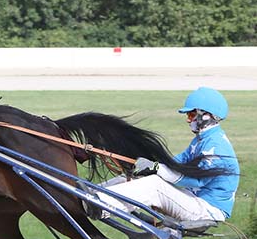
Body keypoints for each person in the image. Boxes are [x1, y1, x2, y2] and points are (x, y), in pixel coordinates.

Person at [88, 87, 239, 223]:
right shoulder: (203, 140)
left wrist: (156, 168)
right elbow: (176, 164)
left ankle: (100, 203)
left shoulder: (217, 146)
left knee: (154, 185)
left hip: (207, 209)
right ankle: (91, 192)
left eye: (192, 115)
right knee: (138, 176)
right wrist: (149, 165)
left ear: (208, 116)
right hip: (194, 199)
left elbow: (196, 180)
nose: (188, 120)